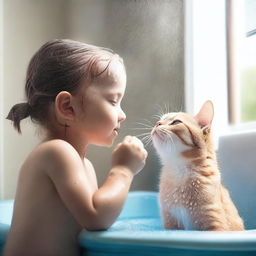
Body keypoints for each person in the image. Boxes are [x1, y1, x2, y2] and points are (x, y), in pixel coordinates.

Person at [3, 39, 148, 256]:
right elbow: (96, 217)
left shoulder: (83, 165)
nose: (122, 114)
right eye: (113, 101)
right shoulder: (56, 152)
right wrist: (123, 170)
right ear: (68, 107)